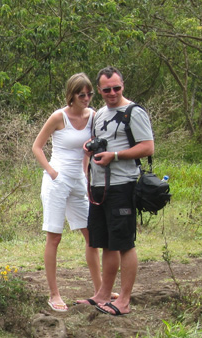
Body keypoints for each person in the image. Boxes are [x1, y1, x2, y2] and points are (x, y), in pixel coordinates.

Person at [80, 66, 154, 316]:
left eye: (117, 88)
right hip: (99, 186)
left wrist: (116, 155)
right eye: (106, 89)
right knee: (105, 243)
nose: (112, 93)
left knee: (124, 243)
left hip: (123, 185)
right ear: (99, 90)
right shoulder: (100, 114)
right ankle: (102, 293)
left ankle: (124, 300)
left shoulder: (134, 111)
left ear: (123, 85)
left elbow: (148, 147)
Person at [31, 73, 101, 313]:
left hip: (79, 182)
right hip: (58, 180)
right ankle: (54, 293)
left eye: (90, 94)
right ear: (71, 95)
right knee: (55, 237)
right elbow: (37, 146)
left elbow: (90, 149)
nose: (87, 98)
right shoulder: (58, 117)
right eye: (82, 94)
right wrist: (52, 172)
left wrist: (85, 173)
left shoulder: (93, 116)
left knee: (92, 236)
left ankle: (100, 290)